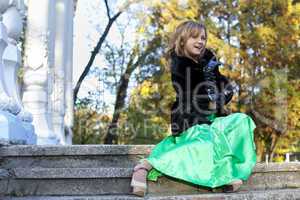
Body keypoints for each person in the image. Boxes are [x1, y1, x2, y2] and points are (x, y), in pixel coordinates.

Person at [130, 20, 257, 197]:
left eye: (203, 38)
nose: (200, 41)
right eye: (194, 37)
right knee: (205, 141)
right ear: (182, 40)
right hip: (191, 119)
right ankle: (145, 166)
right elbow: (190, 92)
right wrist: (210, 93)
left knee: (242, 121)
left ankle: (229, 171)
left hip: (214, 118)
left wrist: (223, 92)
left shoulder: (209, 61)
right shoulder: (180, 64)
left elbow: (223, 85)